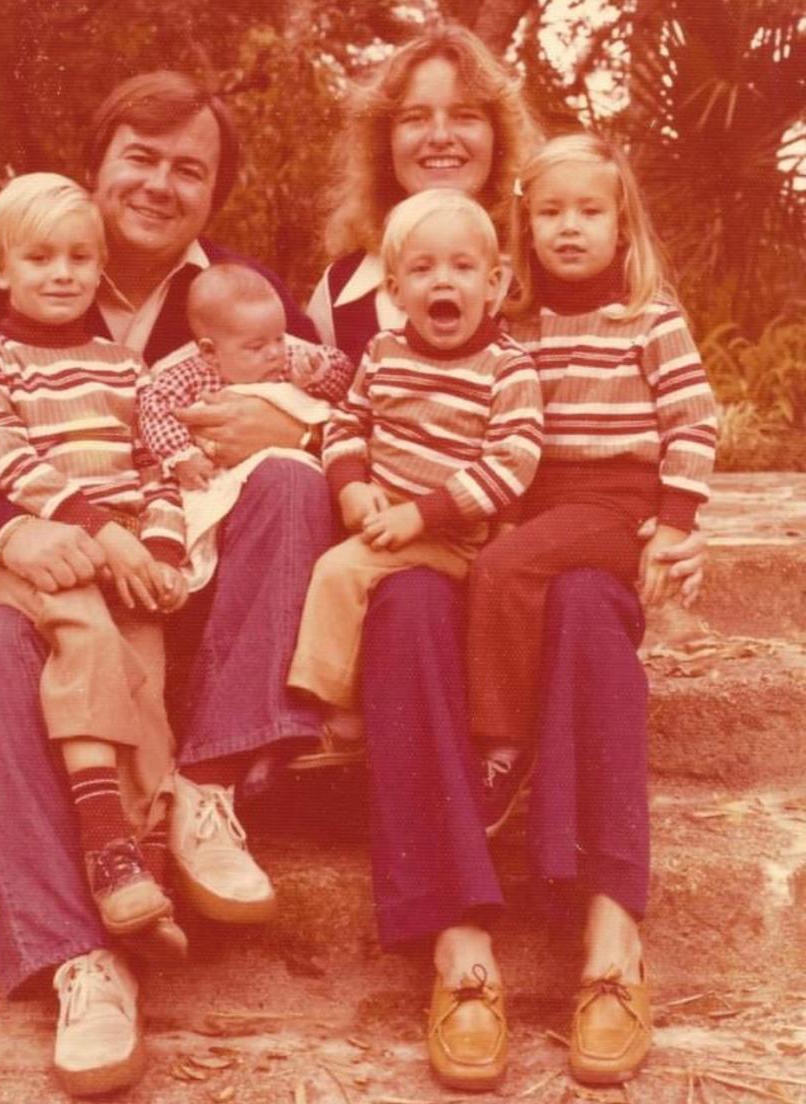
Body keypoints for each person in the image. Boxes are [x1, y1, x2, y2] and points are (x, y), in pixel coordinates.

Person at [0, 71, 334, 1097]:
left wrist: (296, 423)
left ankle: (210, 789)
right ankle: (78, 959)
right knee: (2, 649)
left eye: (192, 169)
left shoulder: (235, 290)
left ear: (215, 194)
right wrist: (8, 529)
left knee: (290, 479)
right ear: (97, 164)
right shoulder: (1, 277)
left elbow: (347, 392)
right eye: (140, 156)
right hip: (69, 576)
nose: (159, 183)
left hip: (197, 580)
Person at [306, 24, 706, 1093]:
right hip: (426, 539)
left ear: (502, 141)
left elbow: (650, 409)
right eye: (416, 116)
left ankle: (611, 938)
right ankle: (458, 945)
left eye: (464, 113)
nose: (440, 135)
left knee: (582, 597)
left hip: (540, 528)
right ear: (385, 143)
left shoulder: (537, 267)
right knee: (409, 615)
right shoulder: (351, 287)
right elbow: (310, 396)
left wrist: (675, 521)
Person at [0, 172, 189, 943]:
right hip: (42, 551)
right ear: (0, 269)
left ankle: (145, 870)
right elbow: (0, 455)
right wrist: (88, 525)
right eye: (41, 257)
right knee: (86, 639)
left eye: (80, 258)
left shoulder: (123, 367)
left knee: (143, 678)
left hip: (119, 550)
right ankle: (105, 842)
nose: (62, 274)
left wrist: (158, 546)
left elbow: (157, 464)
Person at [468, 132, 718, 829]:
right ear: (526, 227)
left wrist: (674, 524)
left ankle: (502, 745)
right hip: (540, 498)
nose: (569, 227)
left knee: (500, 570)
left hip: (616, 500)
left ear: (622, 226)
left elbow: (694, 422)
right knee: (495, 568)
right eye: (550, 213)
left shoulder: (646, 319)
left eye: (589, 211)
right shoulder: (516, 324)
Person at [289, 189, 542, 713]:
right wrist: (349, 483)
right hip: (382, 515)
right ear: (397, 290)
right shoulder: (384, 352)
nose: (443, 280)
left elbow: (512, 462)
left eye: (463, 266)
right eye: (423, 269)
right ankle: (342, 697)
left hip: (453, 534)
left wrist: (422, 515)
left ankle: (325, 707)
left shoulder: (507, 366)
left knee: (339, 572)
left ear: (492, 284)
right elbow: (347, 422)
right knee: (315, 562)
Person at [139, 262, 354, 492]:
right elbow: (155, 408)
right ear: (210, 352)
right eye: (256, 346)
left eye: (280, 338)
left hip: (290, 476)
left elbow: (343, 376)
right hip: (218, 481)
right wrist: (181, 456)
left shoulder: (291, 362)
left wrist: (319, 369)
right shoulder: (190, 376)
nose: (274, 352)